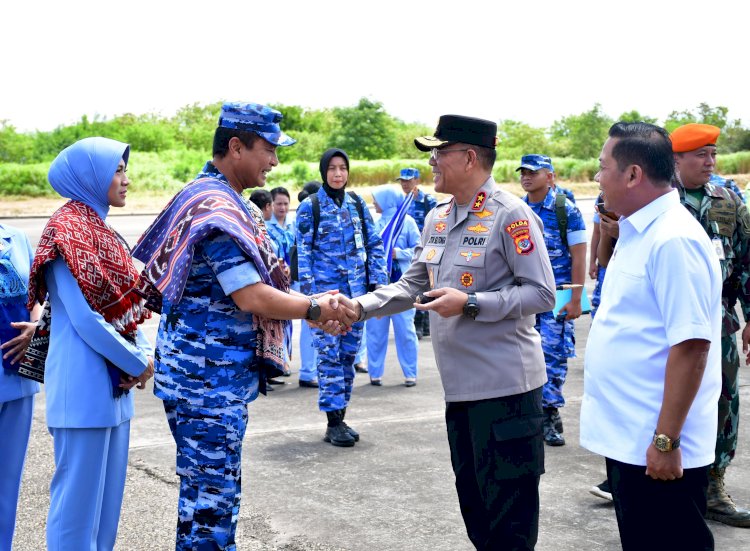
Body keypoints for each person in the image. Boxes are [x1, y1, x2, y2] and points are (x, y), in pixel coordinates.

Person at [132, 102, 350, 550]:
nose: (274, 161)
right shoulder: (218, 211)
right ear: (236, 147)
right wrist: (315, 309)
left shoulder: (217, 197)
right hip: (207, 382)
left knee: (201, 500)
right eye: (268, 149)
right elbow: (249, 295)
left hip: (204, 377)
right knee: (213, 504)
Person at [345, 115, 556, 550]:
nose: (433, 162)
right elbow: (412, 285)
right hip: (460, 396)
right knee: (477, 517)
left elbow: (541, 294)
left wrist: (474, 303)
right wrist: (357, 307)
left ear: (470, 157)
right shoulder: (438, 218)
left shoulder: (511, 215)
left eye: (440, 153)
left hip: (506, 395)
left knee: (509, 527)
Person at [580, 122, 722, 550]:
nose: (598, 178)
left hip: (659, 447)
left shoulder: (674, 239)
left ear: (633, 174)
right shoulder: (636, 229)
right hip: (632, 438)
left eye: (603, 167)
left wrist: (666, 440)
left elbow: (692, 346)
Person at [26, 137, 155, 550]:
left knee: (105, 517)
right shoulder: (65, 232)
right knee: (75, 516)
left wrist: (141, 356)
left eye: (124, 170)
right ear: (91, 176)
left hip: (113, 391)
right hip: (82, 390)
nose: (126, 179)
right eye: (117, 171)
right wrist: (137, 362)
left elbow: (128, 308)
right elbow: (86, 319)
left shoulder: (104, 232)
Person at [671, 122, 750, 527]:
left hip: (718, 322)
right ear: (676, 159)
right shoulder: (659, 200)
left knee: (724, 402)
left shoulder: (729, 200)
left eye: (713, 154)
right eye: (701, 154)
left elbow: (748, 261)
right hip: (668, 323)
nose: (711, 161)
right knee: (664, 397)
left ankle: (714, 485)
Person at [296, 148, 388, 447]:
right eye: (332, 168)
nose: (338, 173)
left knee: (348, 357)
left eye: (343, 168)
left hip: (356, 298)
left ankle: (341, 415)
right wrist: (311, 300)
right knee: (328, 358)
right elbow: (304, 255)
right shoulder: (311, 207)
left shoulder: (358, 205)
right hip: (325, 300)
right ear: (324, 172)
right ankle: (333, 422)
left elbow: (374, 245)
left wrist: (378, 286)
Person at [518, 154, 587, 447]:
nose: (526, 177)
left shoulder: (566, 211)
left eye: (534, 172)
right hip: (524, 294)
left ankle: (550, 415)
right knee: (521, 356)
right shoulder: (516, 209)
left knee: (554, 355)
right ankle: (528, 413)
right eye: (523, 172)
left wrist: (576, 298)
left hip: (557, 295)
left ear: (551, 177)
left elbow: (580, 255)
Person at [0, 224, 42, 551]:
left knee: (7, 484)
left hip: (17, 378)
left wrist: (37, 326)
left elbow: (35, 296)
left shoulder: (16, 238)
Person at [366, 185, 420, 387]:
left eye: (377, 199)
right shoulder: (375, 223)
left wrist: (399, 253)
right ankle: (375, 373)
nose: (373, 203)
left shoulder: (407, 222)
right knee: (375, 330)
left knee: (405, 330)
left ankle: (410, 373)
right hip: (379, 285)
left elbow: (419, 248)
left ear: (387, 200)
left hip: (402, 285)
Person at [397, 167, 437, 339]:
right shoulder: (400, 201)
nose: (405, 184)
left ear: (417, 181)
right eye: (403, 181)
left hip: (429, 248)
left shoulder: (428, 200)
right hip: (409, 250)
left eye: (409, 180)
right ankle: (419, 324)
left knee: (430, 284)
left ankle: (424, 323)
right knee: (414, 285)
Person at [295, 182, 321, 388]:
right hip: (312, 280)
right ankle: (307, 371)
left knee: (312, 327)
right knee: (310, 326)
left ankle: (310, 370)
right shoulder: (310, 212)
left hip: (312, 279)